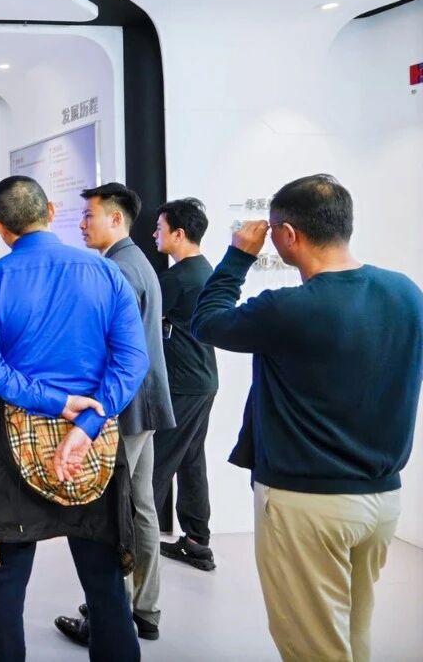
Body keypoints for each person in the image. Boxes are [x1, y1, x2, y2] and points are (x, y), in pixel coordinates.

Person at [192, 174, 423, 662]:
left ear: (288, 234)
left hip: (308, 504)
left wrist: (238, 256)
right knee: (353, 635)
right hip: (382, 501)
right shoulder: (406, 292)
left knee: (313, 648)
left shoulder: (289, 308)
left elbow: (207, 322)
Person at [0, 176, 148, 662]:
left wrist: (52, 402)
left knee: (6, 579)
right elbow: (133, 363)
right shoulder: (106, 273)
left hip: (15, 442)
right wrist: (84, 424)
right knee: (104, 579)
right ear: (50, 210)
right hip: (95, 444)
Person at [55, 181, 175, 646]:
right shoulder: (135, 262)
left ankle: (113, 617)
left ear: (116, 218)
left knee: (112, 515)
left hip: (122, 405)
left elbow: (108, 351)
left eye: (90, 215)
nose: (82, 224)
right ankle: (144, 609)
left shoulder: (117, 270)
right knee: (141, 508)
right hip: (145, 403)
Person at [149, 198, 219, 571]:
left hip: (183, 384)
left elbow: (142, 321)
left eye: (160, 228)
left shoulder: (177, 279)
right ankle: (196, 542)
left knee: (156, 463)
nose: (154, 234)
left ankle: (133, 548)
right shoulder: (206, 270)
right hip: (202, 380)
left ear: (178, 234)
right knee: (191, 460)